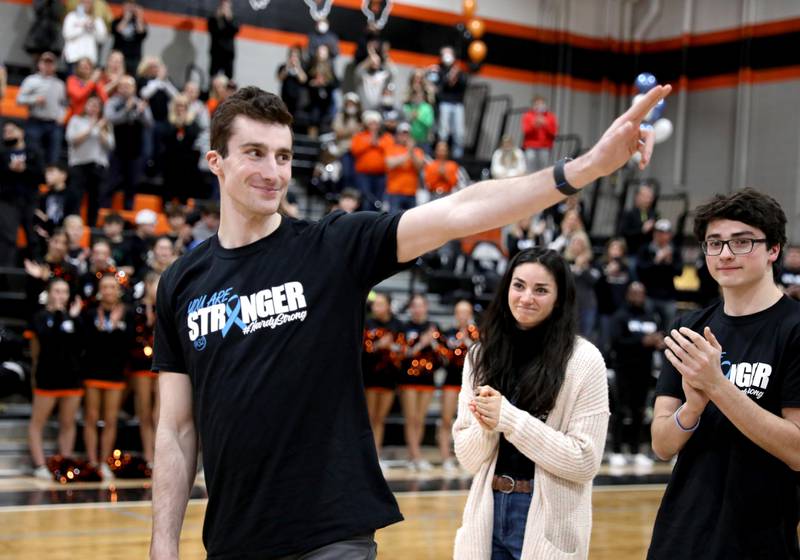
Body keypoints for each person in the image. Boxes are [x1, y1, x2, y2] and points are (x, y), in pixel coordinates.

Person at [149, 84, 668, 559]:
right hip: (234, 541)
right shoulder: (181, 284)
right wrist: (163, 544)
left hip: (330, 534)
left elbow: (459, 211)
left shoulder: (332, 247)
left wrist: (582, 170)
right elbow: (175, 429)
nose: (273, 171)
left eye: (283, 156)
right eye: (255, 154)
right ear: (215, 161)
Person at [648, 188, 800, 559]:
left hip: (759, 543)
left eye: (742, 242)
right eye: (714, 243)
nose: (726, 254)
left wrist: (717, 386)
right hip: (678, 538)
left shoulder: (794, 330)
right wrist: (693, 409)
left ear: (773, 250)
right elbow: (662, 444)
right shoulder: (688, 328)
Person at [452, 248, 609, 559]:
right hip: (488, 510)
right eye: (519, 285)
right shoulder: (481, 355)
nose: (526, 298)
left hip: (549, 518)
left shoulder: (584, 360)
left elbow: (584, 461)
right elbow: (468, 460)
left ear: (559, 298)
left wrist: (508, 419)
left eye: (541, 290)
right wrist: (487, 426)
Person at [28, 278, 84, 480]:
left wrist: (74, 318)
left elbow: (80, 345)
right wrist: (61, 316)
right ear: (49, 293)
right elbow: (44, 341)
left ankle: (65, 461)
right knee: (38, 422)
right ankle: (40, 464)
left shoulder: (75, 318)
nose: (61, 295)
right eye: (57, 291)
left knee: (68, 423)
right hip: (47, 378)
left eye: (64, 292)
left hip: (71, 378)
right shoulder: (40, 316)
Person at [82, 273, 133, 480]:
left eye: (112, 287)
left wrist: (116, 326)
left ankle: (104, 462)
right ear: (99, 290)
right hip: (93, 371)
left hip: (115, 373)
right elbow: (85, 342)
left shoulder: (126, 314)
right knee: (91, 418)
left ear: (118, 290)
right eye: (104, 287)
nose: (108, 291)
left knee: (111, 419)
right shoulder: (90, 313)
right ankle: (92, 461)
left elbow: (129, 343)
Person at [607, 281, 664, 468]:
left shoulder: (650, 317)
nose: (638, 296)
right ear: (628, 295)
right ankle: (616, 450)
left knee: (640, 411)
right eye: (635, 292)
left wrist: (658, 341)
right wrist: (642, 342)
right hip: (624, 369)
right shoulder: (620, 316)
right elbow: (616, 341)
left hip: (644, 370)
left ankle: (635, 450)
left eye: (641, 292)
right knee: (620, 411)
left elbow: (657, 337)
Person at [397, 294, 441, 470]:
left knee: (420, 419)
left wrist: (434, 342)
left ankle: (414, 456)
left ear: (426, 307)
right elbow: (401, 353)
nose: (417, 309)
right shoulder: (404, 327)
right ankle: (415, 456)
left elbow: (442, 354)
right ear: (410, 308)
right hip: (408, 378)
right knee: (411, 418)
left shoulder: (433, 327)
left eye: (420, 305)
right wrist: (420, 344)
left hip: (427, 379)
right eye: (414, 306)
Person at [362, 292, 403, 464]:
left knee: (380, 418)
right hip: (370, 376)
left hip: (389, 378)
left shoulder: (397, 325)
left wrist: (391, 346)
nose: (376, 307)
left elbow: (402, 350)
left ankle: (376, 455)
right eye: (375, 304)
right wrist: (379, 345)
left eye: (380, 304)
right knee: (369, 418)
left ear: (388, 306)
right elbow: (364, 349)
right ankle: (368, 456)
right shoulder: (367, 323)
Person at [438, 299, 478, 471]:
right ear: (455, 314)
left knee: (470, 421)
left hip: (470, 382)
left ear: (470, 315)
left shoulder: (477, 334)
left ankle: (466, 459)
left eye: (466, 312)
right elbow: (445, 357)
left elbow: (479, 356)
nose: (463, 315)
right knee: (446, 419)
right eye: (460, 312)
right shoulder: (448, 333)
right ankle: (445, 457)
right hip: (451, 380)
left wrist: (467, 338)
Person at [104, 74, 153, 210]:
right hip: (117, 150)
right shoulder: (113, 102)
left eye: (128, 86)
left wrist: (141, 112)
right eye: (123, 86)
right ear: (118, 88)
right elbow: (111, 119)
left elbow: (149, 123)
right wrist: (126, 109)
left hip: (135, 151)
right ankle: (105, 210)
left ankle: (128, 214)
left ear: (134, 88)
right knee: (111, 183)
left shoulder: (140, 103)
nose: (126, 89)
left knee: (132, 185)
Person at [65, 94, 114, 226]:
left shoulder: (105, 124)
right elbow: (72, 140)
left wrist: (100, 128)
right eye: (91, 104)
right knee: (75, 198)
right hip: (79, 164)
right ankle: (73, 226)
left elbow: (110, 145)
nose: (93, 108)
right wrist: (91, 128)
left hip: (98, 166)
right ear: (85, 106)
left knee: (96, 199)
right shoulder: (76, 120)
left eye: (97, 106)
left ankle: (91, 227)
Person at [0, 121, 44, 265]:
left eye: (11, 130)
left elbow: (41, 176)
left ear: (21, 132)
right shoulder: (2, 154)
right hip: (7, 201)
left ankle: (37, 272)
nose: (7, 133)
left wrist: (25, 169)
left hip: (30, 201)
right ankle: (6, 275)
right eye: (5, 131)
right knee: (8, 238)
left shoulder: (34, 153)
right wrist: (9, 169)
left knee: (33, 238)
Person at [130, 270, 160, 467]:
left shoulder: (168, 307)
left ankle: (160, 454)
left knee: (160, 413)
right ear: (147, 286)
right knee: (145, 412)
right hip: (141, 365)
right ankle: (148, 456)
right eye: (154, 284)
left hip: (163, 366)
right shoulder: (138, 310)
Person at [15, 51, 66, 166]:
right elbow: (19, 100)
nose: (48, 66)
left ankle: (49, 180)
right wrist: (34, 99)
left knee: (54, 155)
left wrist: (61, 116)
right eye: (45, 62)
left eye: (51, 63)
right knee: (32, 153)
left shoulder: (59, 84)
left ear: (55, 66)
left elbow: (63, 104)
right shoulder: (31, 80)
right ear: (39, 64)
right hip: (35, 122)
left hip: (53, 124)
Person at [636, 218, 682, 330]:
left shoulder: (674, 250)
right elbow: (641, 271)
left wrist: (669, 262)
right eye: (659, 233)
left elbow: (679, 272)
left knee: (669, 328)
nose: (662, 236)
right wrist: (656, 261)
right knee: (648, 326)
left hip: (668, 296)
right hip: (649, 295)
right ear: (654, 234)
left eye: (666, 233)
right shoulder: (645, 249)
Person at [351, 110, 393, 211]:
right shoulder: (359, 136)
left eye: (376, 123)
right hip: (364, 174)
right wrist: (369, 143)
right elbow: (354, 150)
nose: (373, 126)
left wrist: (378, 144)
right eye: (371, 123)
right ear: (366, 124)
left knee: (379, 200)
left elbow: (391, 150)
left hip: (381, 174)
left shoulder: (386, 137)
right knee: (366, 199)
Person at [433, 46, 467, 159]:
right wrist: (448, 78)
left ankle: (458, 158)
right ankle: (440, 156)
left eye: (449, 53)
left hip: (457, 104)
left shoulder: (458, 70)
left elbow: (464, 84)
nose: (447, 56)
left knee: (459, 133)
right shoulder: (438, 70)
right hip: (445, 103)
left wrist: (457, 76)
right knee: (443, 132)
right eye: (445, 54)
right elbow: (438, 88)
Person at [384, 122, 424, 213]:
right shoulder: (391, 148)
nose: (405, 137)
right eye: (402, 134)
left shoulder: (417, 151)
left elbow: (419, 167)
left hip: (411, 192)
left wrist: (411, 152)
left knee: (411, 222)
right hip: (394, 191)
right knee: (393, 219)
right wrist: (408, 153)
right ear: (397, 136)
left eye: (407, 134)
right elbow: (389, 163)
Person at [62, 0, 108, 69]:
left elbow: (103, 39)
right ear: (80, 3)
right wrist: (83, 28)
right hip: (73, 58)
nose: (86, 5)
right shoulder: (71, 16)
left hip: (90, 60)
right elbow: (67, 35)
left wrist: (93, 29)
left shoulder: (97, 19)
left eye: (89, 3)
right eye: (84, 2)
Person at [618, 183, 657, 256]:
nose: (649, 200)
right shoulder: (630, 214)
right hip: (633, 251)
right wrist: (642, 230)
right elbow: (624, 232)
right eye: (646, 196)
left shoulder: (654, 214)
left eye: (650, 197)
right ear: (638, 197)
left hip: (649, 253)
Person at [521, 95, 558, 172]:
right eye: (537, 104)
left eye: (541, 103)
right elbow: (526, 131)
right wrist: (535, 125)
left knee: (543, 169)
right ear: (533, 105)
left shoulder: (550, 116)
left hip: (545, 147)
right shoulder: (528, 115)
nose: (539, 106)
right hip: (530, 146)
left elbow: (554, 132)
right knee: (530, 168)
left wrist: (545, 124)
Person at [111, 0, 147, 75]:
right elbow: (117, 31)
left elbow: (142, 33)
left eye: (132, 5)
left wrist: (139, 17)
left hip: (134, 57)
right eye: (127, 5)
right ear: (123, 6)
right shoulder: (117, 20)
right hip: (119, 55)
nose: (130, 8)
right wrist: (126, 18)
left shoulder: (140, 21)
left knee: (132, 76)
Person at [66, 57, 108, 122]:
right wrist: (92, 81)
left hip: (93, 119)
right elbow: (78, 96)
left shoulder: (96, 81)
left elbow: (104, 99)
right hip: (77, 118)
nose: (85, 68)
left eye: (88, 65)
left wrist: (95, 81)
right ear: (77, 68)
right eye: (82, 66)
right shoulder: (72, 80)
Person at [207, 0, 239, 79]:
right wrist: (217, 18)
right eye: (223, 4)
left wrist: (229, 19)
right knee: (213, 75)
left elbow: (235, 30)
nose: (225, 7)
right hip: (216, 51)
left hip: (228, 52)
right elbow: (212, 30)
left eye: (227, 5)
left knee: (229, 77)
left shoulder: (233, 18)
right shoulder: (214, 17)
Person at [276, 46, 307, 119]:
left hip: (298, 100)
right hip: (285, 97)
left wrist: (298, 67)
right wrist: (287, 67)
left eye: (295, 56)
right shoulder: (283, 66)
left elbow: (303, 79)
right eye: (291, 56)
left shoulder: (302, 67)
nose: (293, 58)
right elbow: (279, 78)